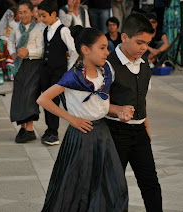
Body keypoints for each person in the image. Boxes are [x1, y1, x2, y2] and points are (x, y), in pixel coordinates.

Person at [37, 25, 129, 212]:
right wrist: (72, 119)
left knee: (113, 185)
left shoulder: (106, 71)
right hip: (81, 136)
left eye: (107, 47)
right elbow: (43, 99)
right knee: (78, 188)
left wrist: (119, 110)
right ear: (86, 50)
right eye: (102, 48)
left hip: (103, 134)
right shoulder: (74, 76)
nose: (107, 52)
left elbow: (101, 106)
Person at [105, 14, 163, 212]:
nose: (144, 48)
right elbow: (97, 104)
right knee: (115, 188)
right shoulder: (108, 65)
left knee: (151, 183)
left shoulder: (145, 64)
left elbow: (142, 98)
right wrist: (117, 110)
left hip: (139, 133)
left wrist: (146, 128)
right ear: (124, 37)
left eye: (147, 43)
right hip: (114, 133)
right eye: (139, 42)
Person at [38, 0, 78, 145]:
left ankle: (54, 132)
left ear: (53, 14)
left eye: (44, 16)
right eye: (40, 16)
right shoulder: (46, 30)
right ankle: (49, 129)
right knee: (45, 100)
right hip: (46, 70)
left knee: (54, 101)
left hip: (59, 71)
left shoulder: (63, 30)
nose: (41, 19)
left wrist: (68, 70)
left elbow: (74, 51)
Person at [7, 0, 43, 143]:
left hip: (33, 65)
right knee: (19, 95)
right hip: (20, 65)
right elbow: (10, 41)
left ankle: (30, 129)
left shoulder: (38, 29)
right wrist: (13, 54)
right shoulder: (17, 27)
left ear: (32, 12)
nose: (22, 15)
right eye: (20, 12)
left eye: (25, 12)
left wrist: (28, 52)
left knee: (29, 96)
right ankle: (22, 127)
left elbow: (41, 50)